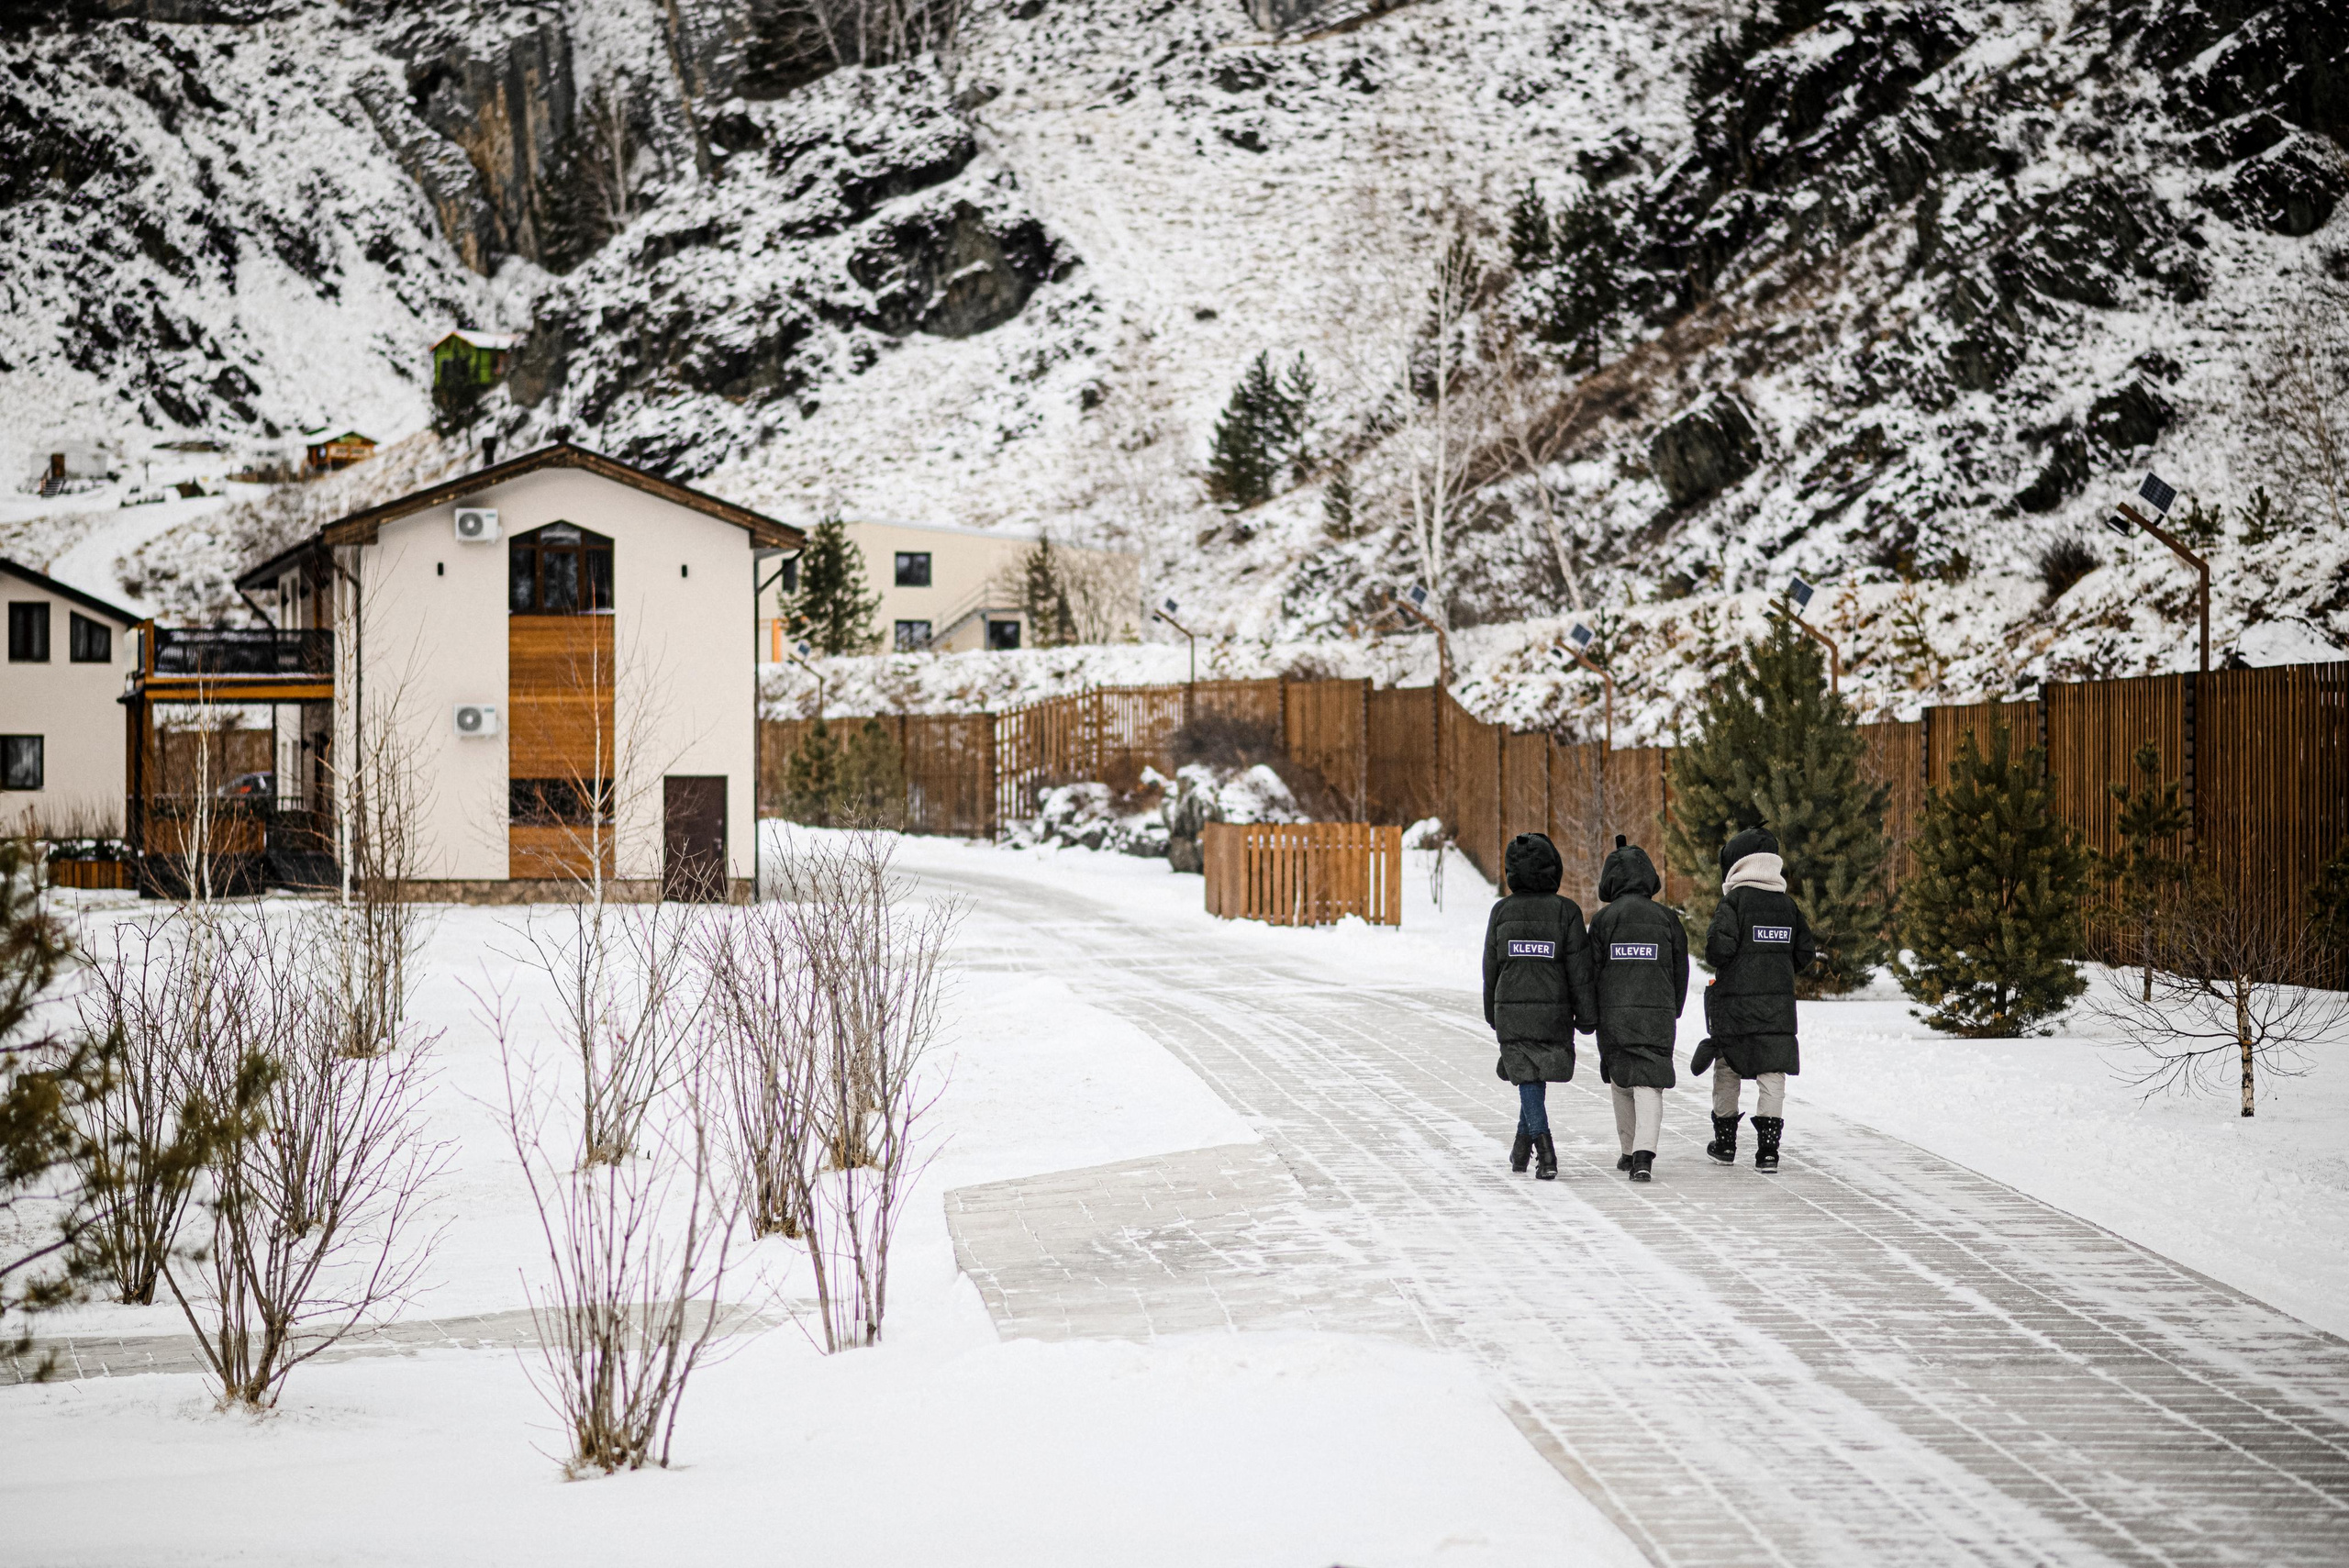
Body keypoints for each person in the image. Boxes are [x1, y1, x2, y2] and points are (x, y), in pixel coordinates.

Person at [1690, 826, 1816, 1172]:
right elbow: (1805, 953)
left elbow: (1718, 950)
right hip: (1777, 1008)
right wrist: (1776, 969)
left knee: (1728, 1066)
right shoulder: (1788, 906)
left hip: (1736, 1006)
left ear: (1737, 865)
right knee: (1772, 1071)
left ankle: (1725, 1144)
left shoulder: (1734, 902)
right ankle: (1768, 1152)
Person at [1482, 831, 1597, 1180]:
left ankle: (1526, 1147)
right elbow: (1580, 970)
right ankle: (1544, 1151)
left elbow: (1491, 968)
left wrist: (1492, 1012)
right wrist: (1587, 1016)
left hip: (1511, 1010)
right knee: (1532, 1075)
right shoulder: (1566, 911)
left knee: (1529, 1075)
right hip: (1553, 1012)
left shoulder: (1501, 911)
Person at [1589, 835, 1687, 1184]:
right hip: (1657, 1012)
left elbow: (1591, 972)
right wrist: (1673, 1008)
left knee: (1621, 1080)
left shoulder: (1603, 920)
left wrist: (1591, 1013)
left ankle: (1629, 1150)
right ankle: (1644, 1154)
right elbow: (1680, 970)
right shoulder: (1667, 919)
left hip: (1614, 1014)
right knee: (1650, 1082)